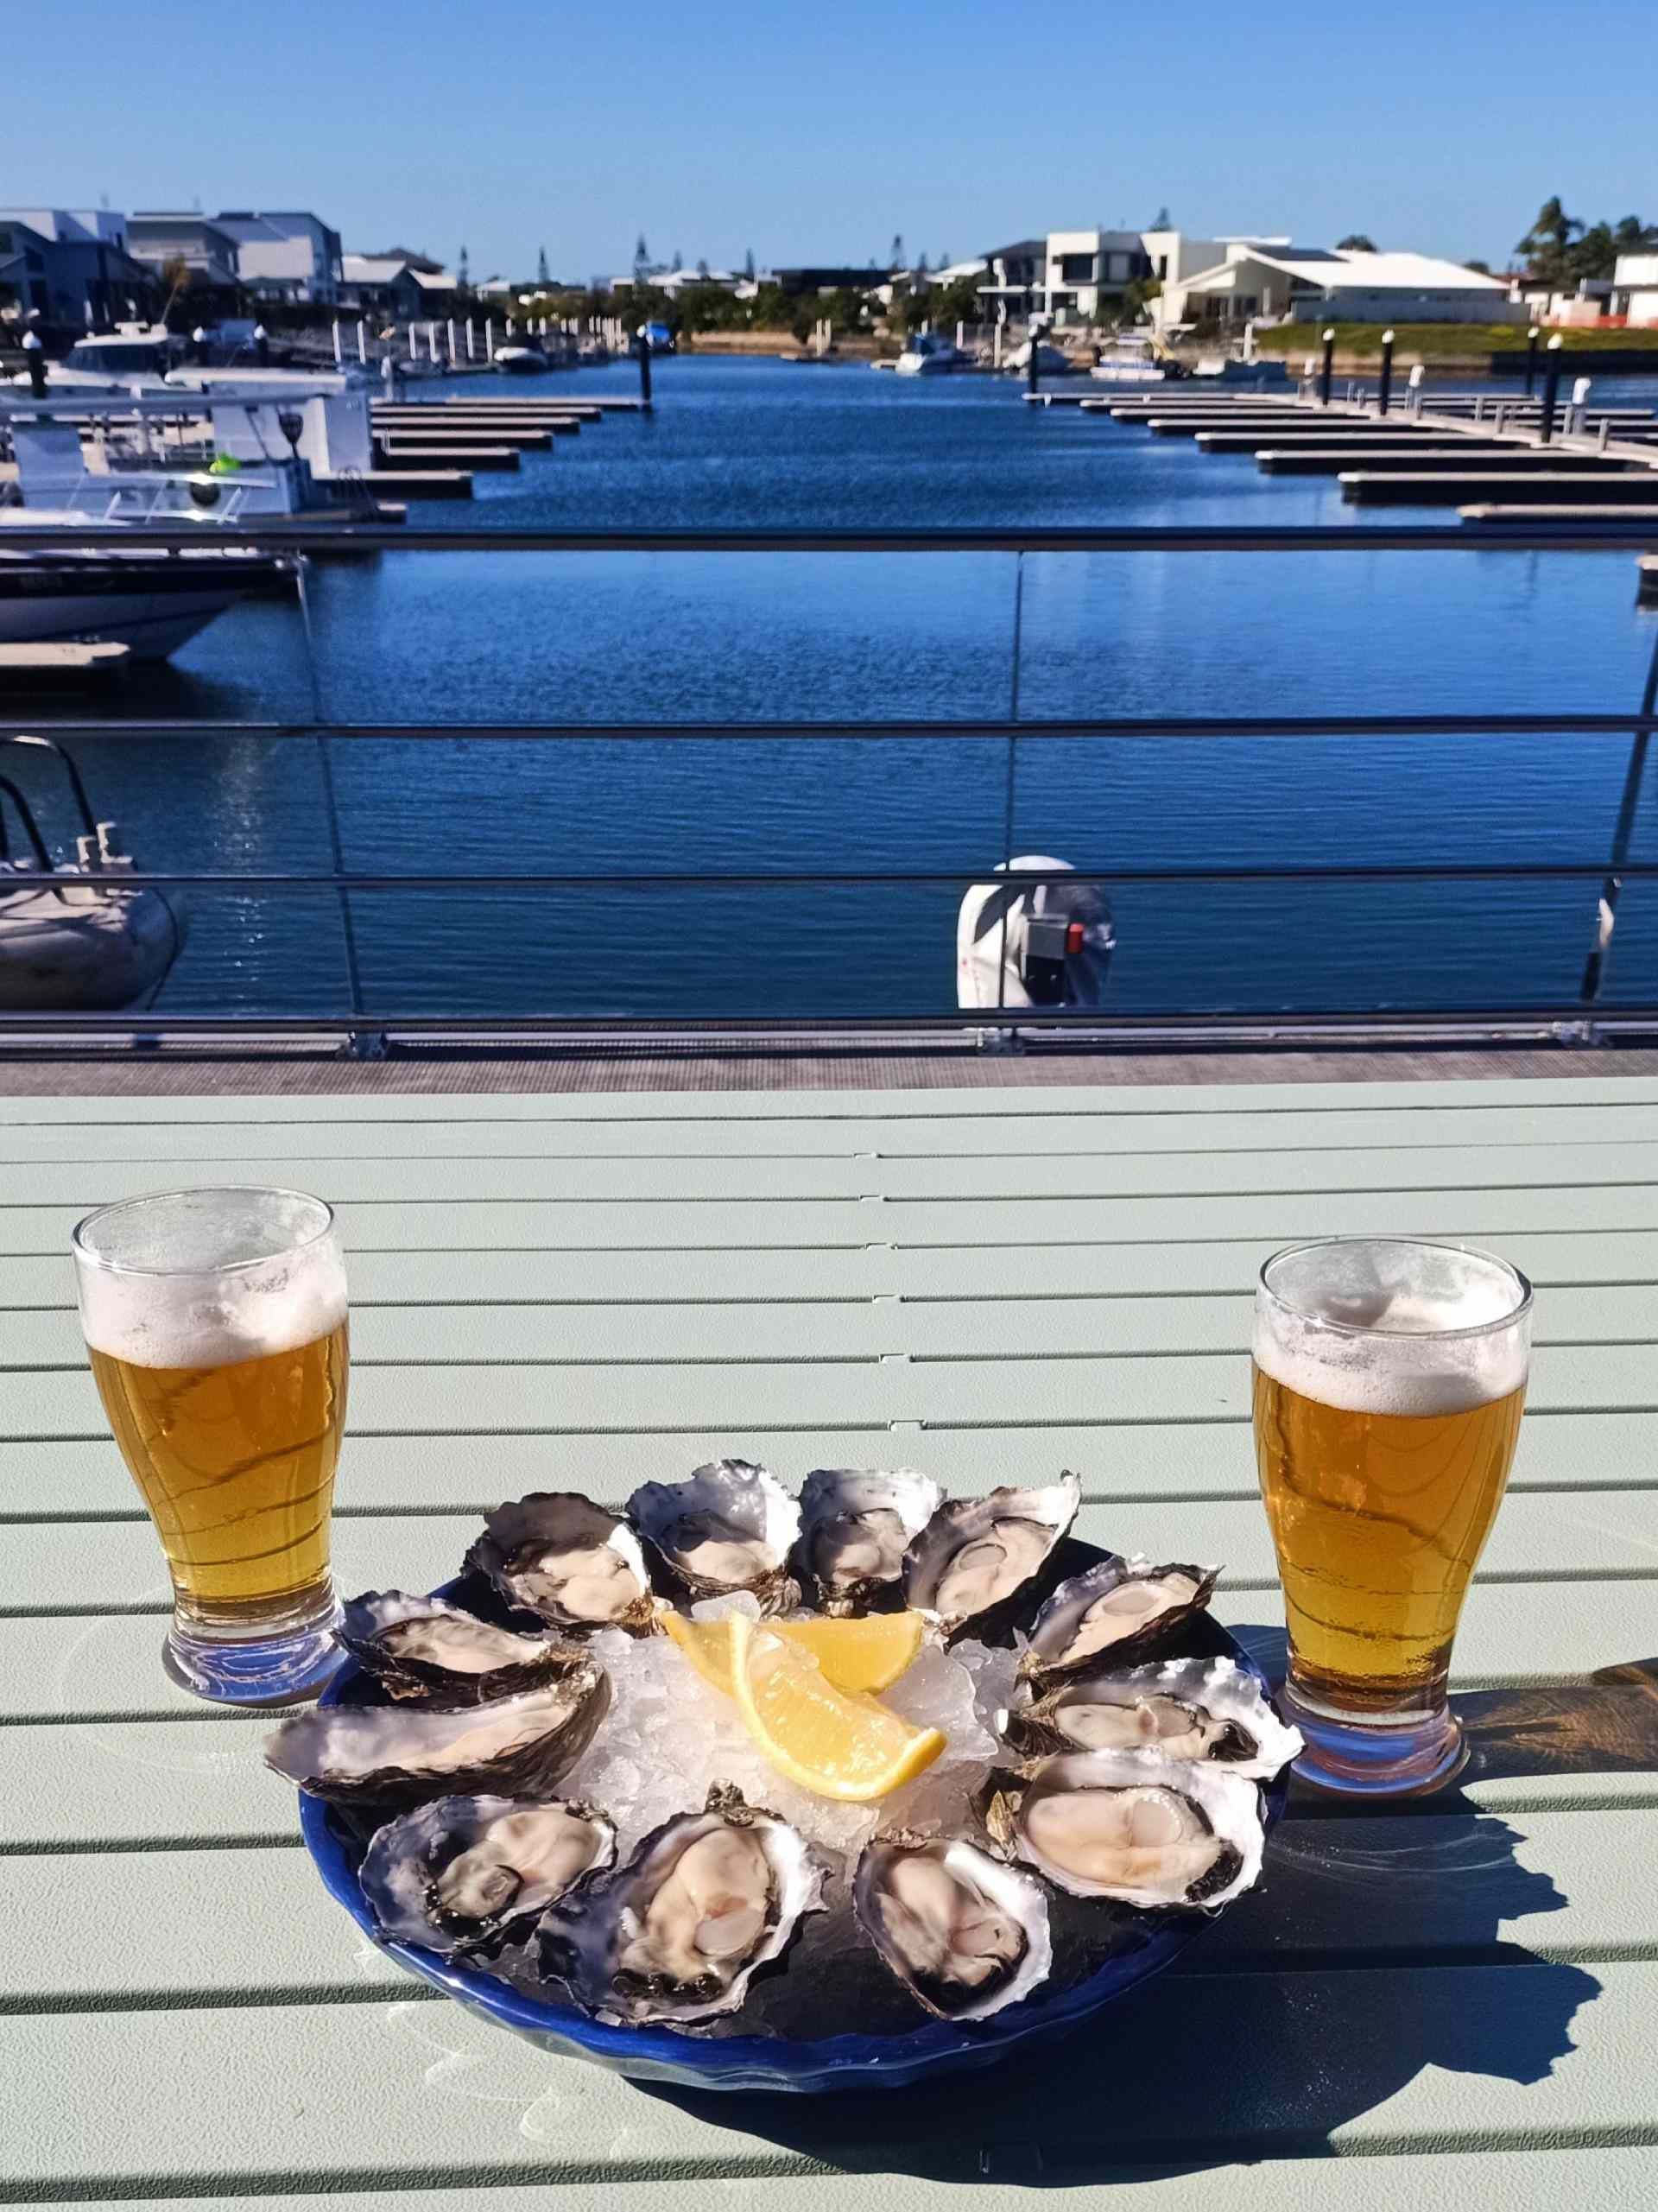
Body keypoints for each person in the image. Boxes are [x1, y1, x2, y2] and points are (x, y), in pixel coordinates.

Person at [20, 325, 47, 396]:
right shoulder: (31, 337)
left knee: (36, 374)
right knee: (37, 374)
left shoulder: (29, 337)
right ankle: (39, 392)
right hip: (34, 354)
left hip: (32, 354)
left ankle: (39, 392)